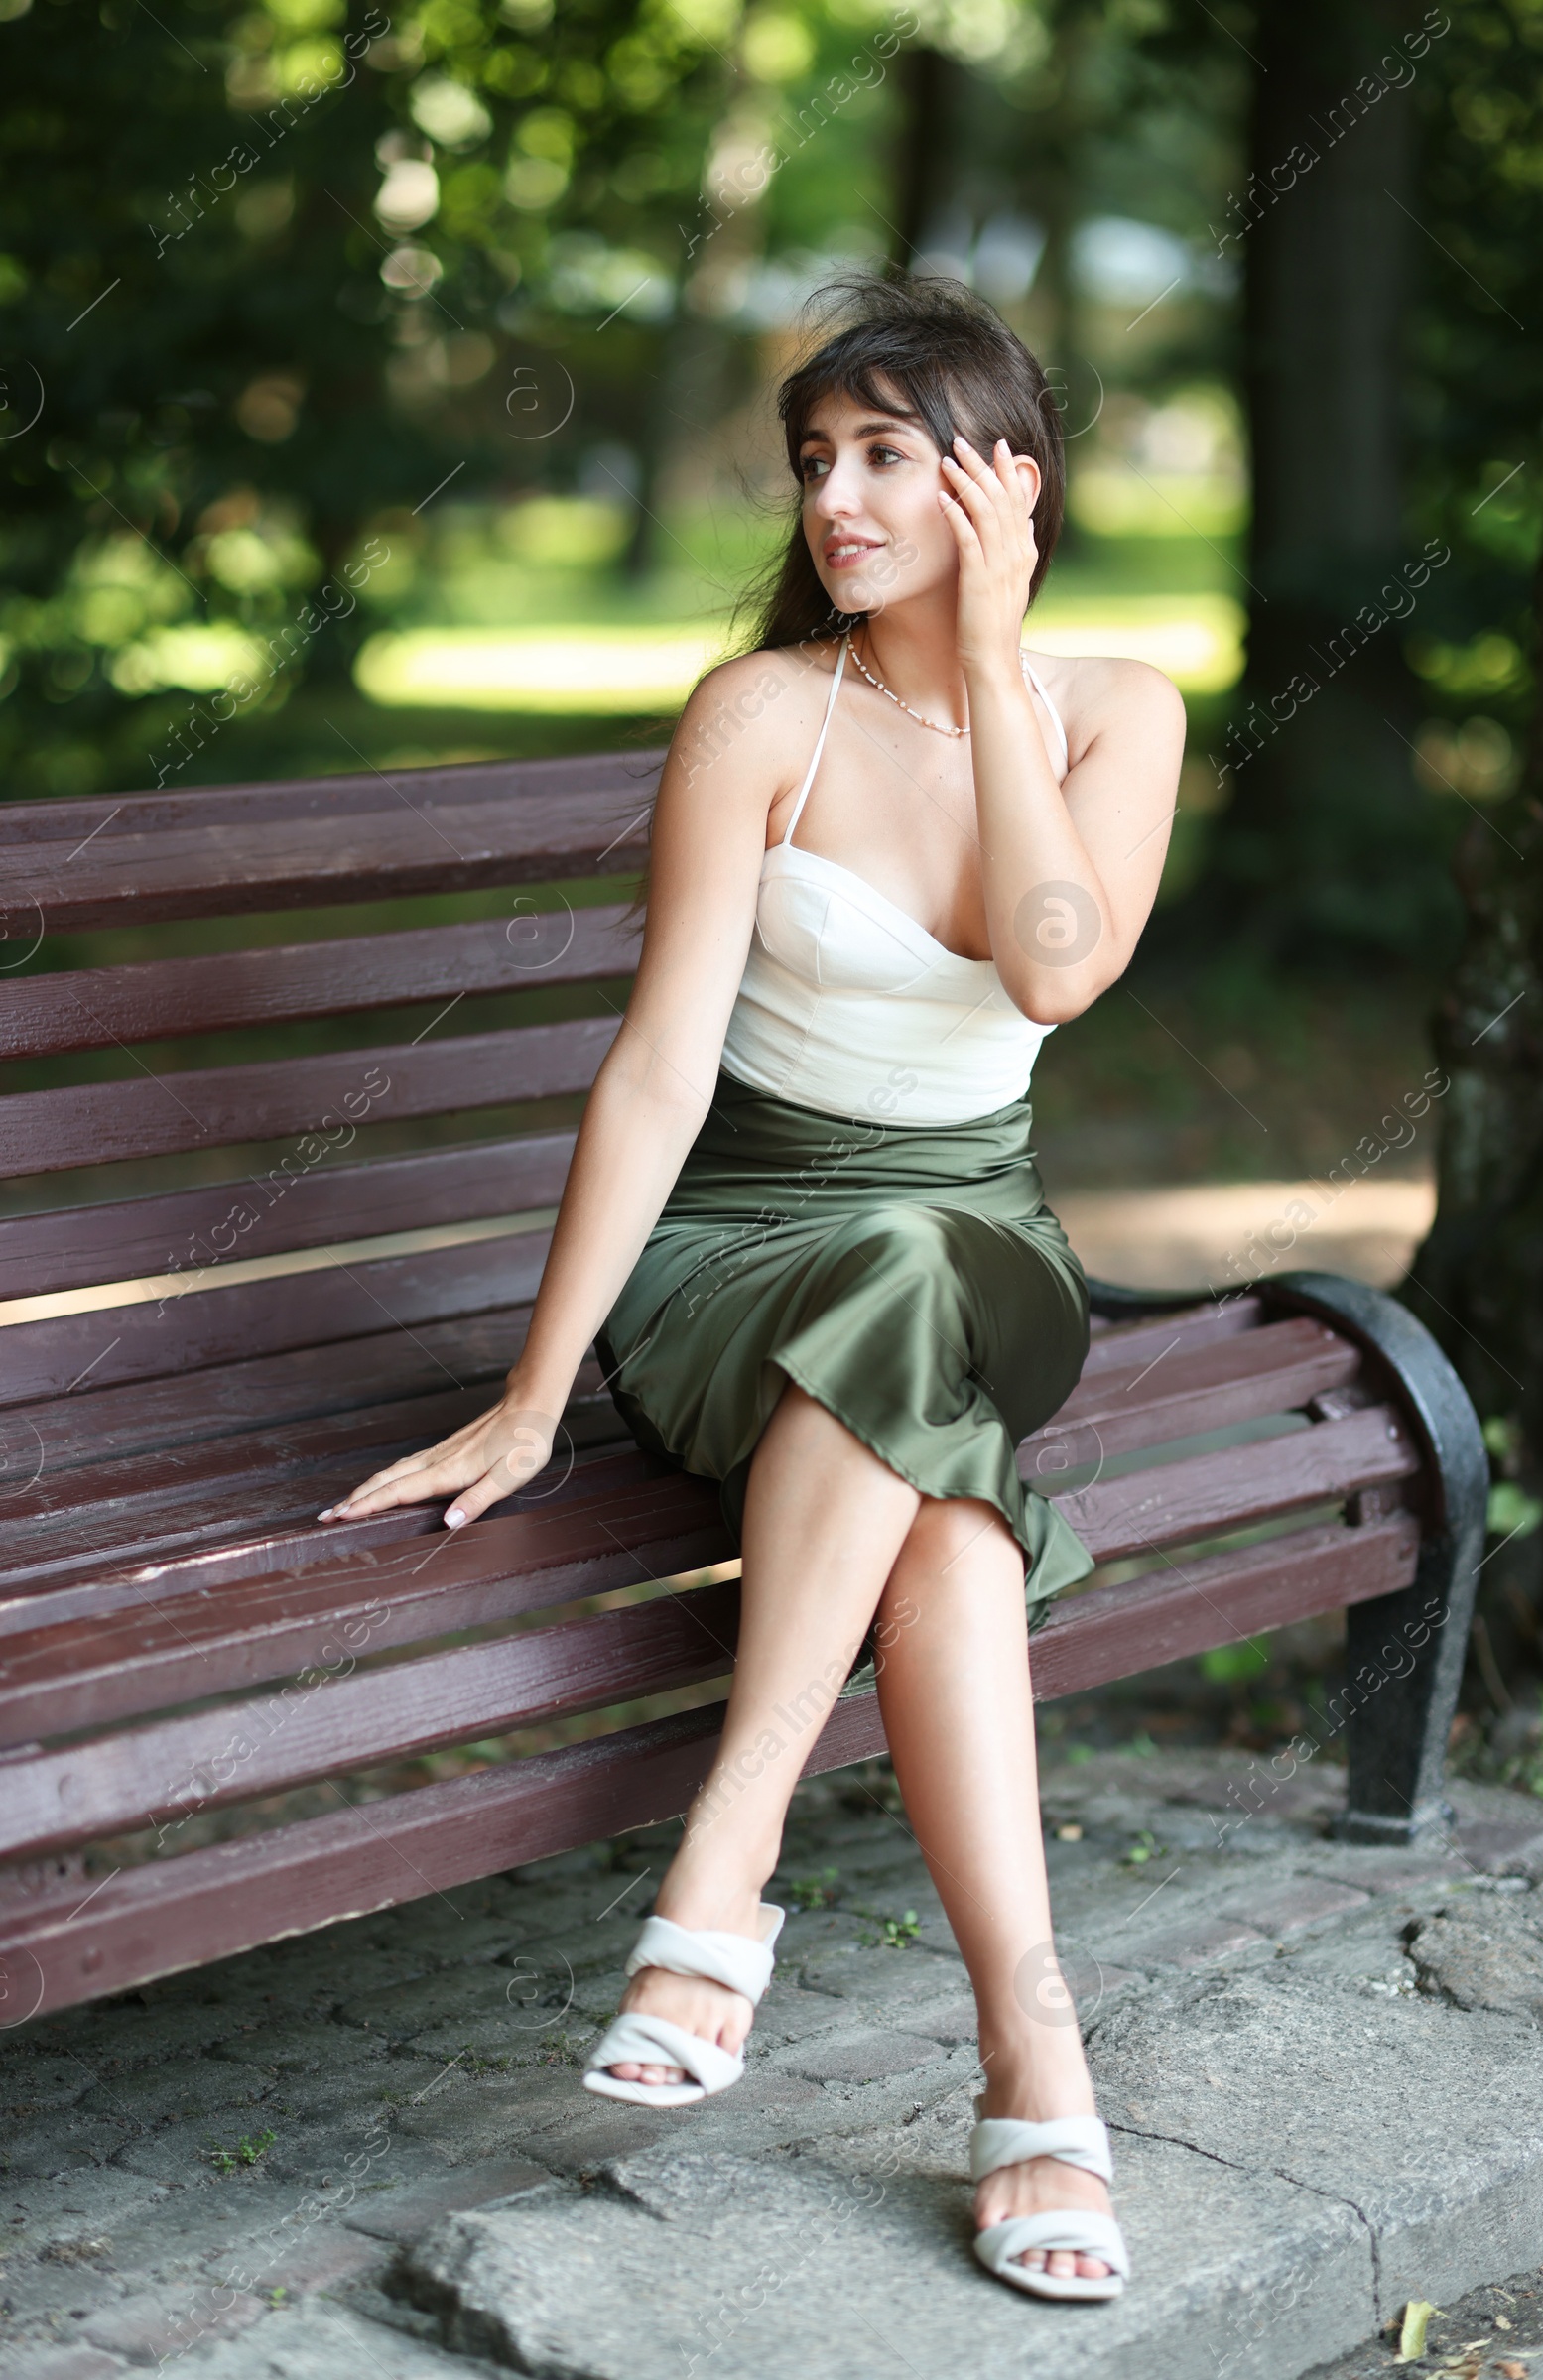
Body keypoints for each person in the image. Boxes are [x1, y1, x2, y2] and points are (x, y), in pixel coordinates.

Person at [321, 275, 1185, 2303]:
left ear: (1005, 486)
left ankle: (723, 1865)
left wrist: (985, 667)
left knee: (910, 1283)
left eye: (886, 455)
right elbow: (655, 1071)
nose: (834, 500)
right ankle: (1031, 2065)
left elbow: (1056, 968)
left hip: (973, 1238)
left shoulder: (1111, 711)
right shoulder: (756, 715)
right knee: (948, 1539)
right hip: (732, 1259)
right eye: (816, 460)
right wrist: (537, 1399)